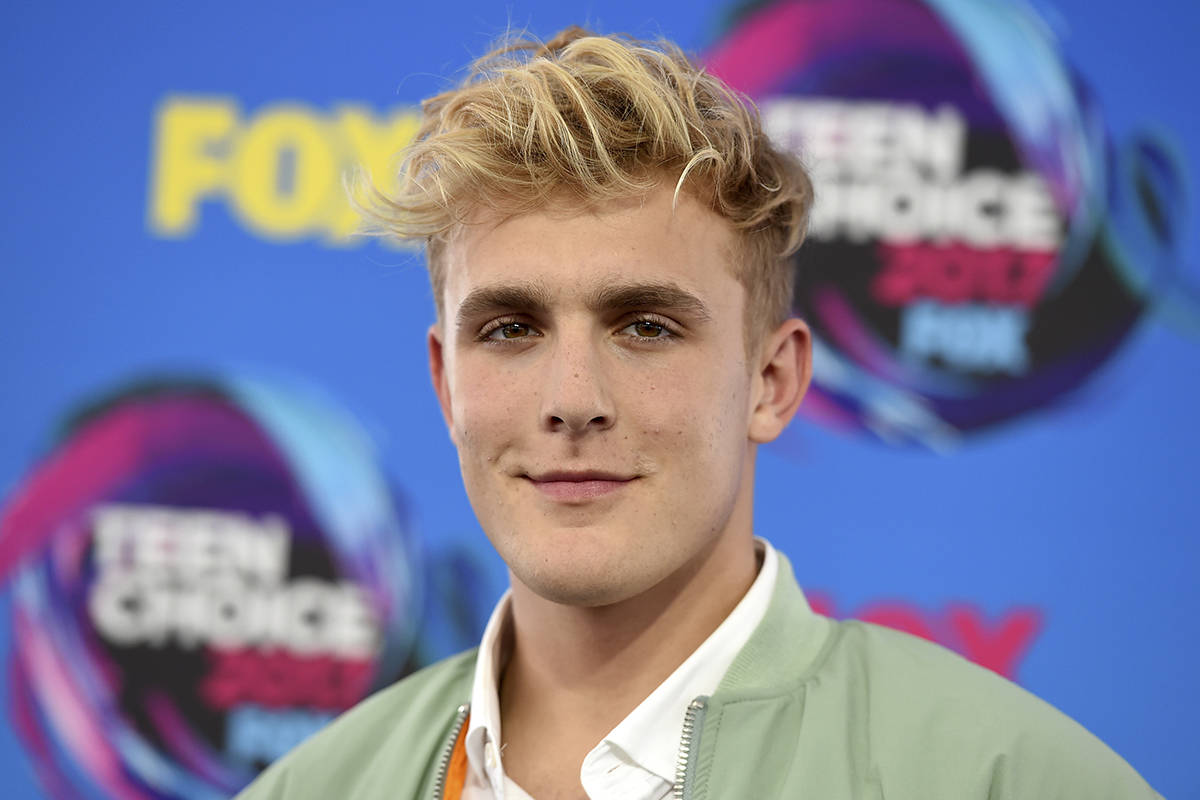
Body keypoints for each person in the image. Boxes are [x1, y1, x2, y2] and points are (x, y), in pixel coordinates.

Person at [237, 26, 1160, 800]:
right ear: (446, 386)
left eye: (645, 325)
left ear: (772, 382)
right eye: (512, 329)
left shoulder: (1003, 778)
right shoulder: (312, 787)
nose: (572, 402)